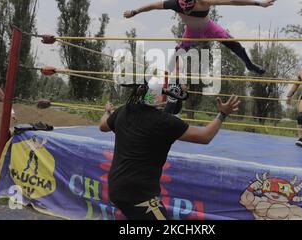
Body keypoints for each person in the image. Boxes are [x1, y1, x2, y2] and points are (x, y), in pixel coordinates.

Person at [98, 77, 240, 220]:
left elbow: (103, 126)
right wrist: (222, 114)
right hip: (139, 196)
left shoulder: (123, 112)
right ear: (159, 97)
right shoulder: (164, 122)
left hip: (116, 188)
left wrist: (107, 112)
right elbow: (205, 136)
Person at [123, 0, 278, 75]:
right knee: (177, 55)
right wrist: (134, 11)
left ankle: (250, 65)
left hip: (209, 27)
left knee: (235, 45)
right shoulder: (173, 3)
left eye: (189, 5)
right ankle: (168, 77)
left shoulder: (204, 0)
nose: (187, 9)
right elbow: (152, 5)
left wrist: (259, 3)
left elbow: (233, 1)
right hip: (191, 31)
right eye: (184, 5)